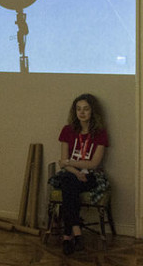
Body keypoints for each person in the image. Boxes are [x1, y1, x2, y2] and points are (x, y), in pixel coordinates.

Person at [52, 93, 110, 255]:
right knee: (68, 181)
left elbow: (93, 164)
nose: (82, 113)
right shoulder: (67, 130)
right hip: (71, 175)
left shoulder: (100, 133)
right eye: (78, 109)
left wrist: (69, 163)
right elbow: (63, 163)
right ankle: (75, 234)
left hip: (91, 176)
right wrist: (75, 171)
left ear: (93, 111)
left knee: (67, 184)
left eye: (86, 109)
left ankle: (68, 236)